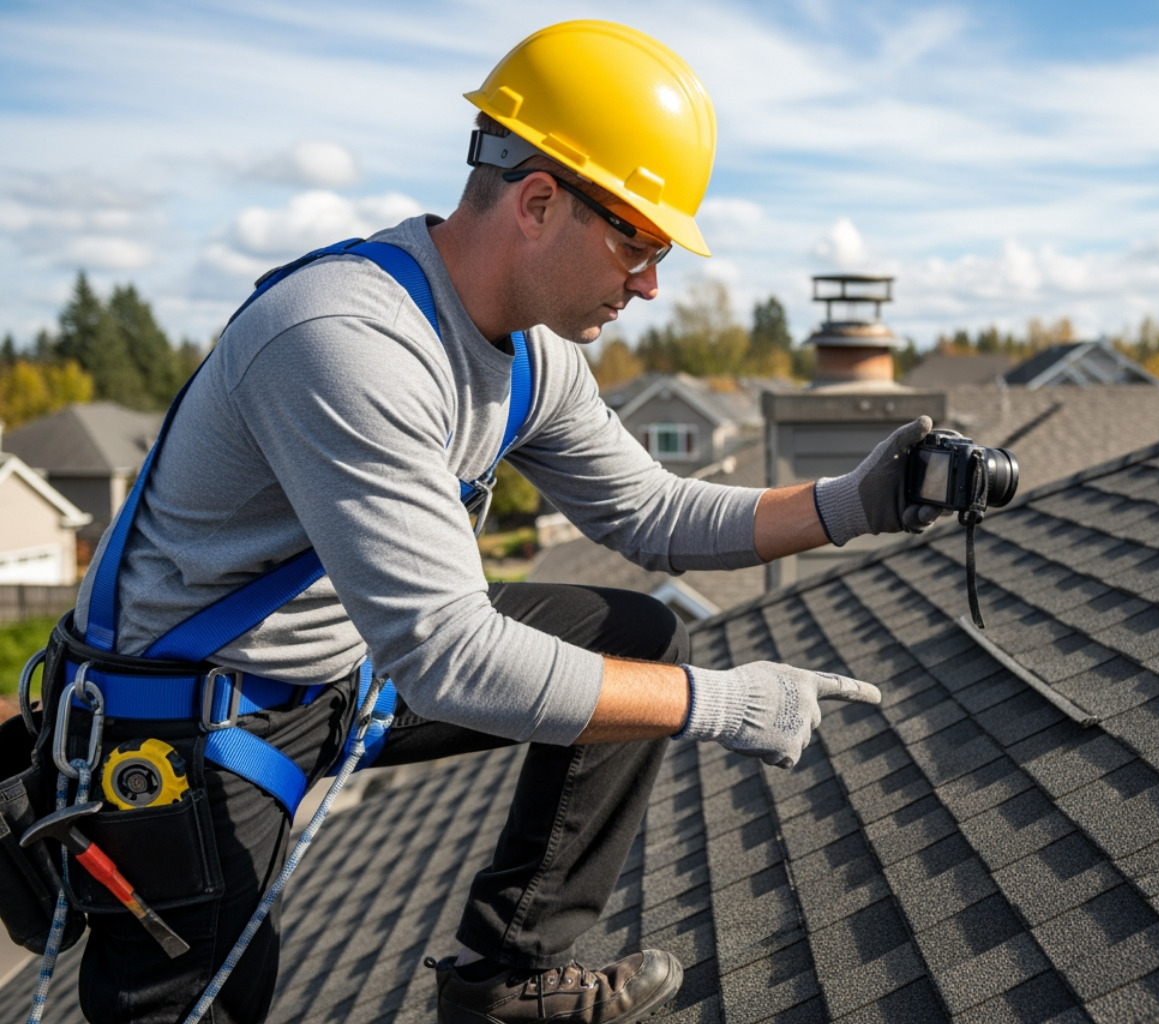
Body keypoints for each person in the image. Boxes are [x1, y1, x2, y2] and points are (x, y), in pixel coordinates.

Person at [57, 20, 942, 1024]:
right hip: (188, 722)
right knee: (215, 995)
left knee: (636, 635)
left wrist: (857, 504)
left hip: (344, 666)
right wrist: (717, 703)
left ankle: (506, 980)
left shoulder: (532, 356)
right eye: (639, 241)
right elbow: (448, 652)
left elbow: (651, 510)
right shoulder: (345, 339)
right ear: (537, 202)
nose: (651, 282)